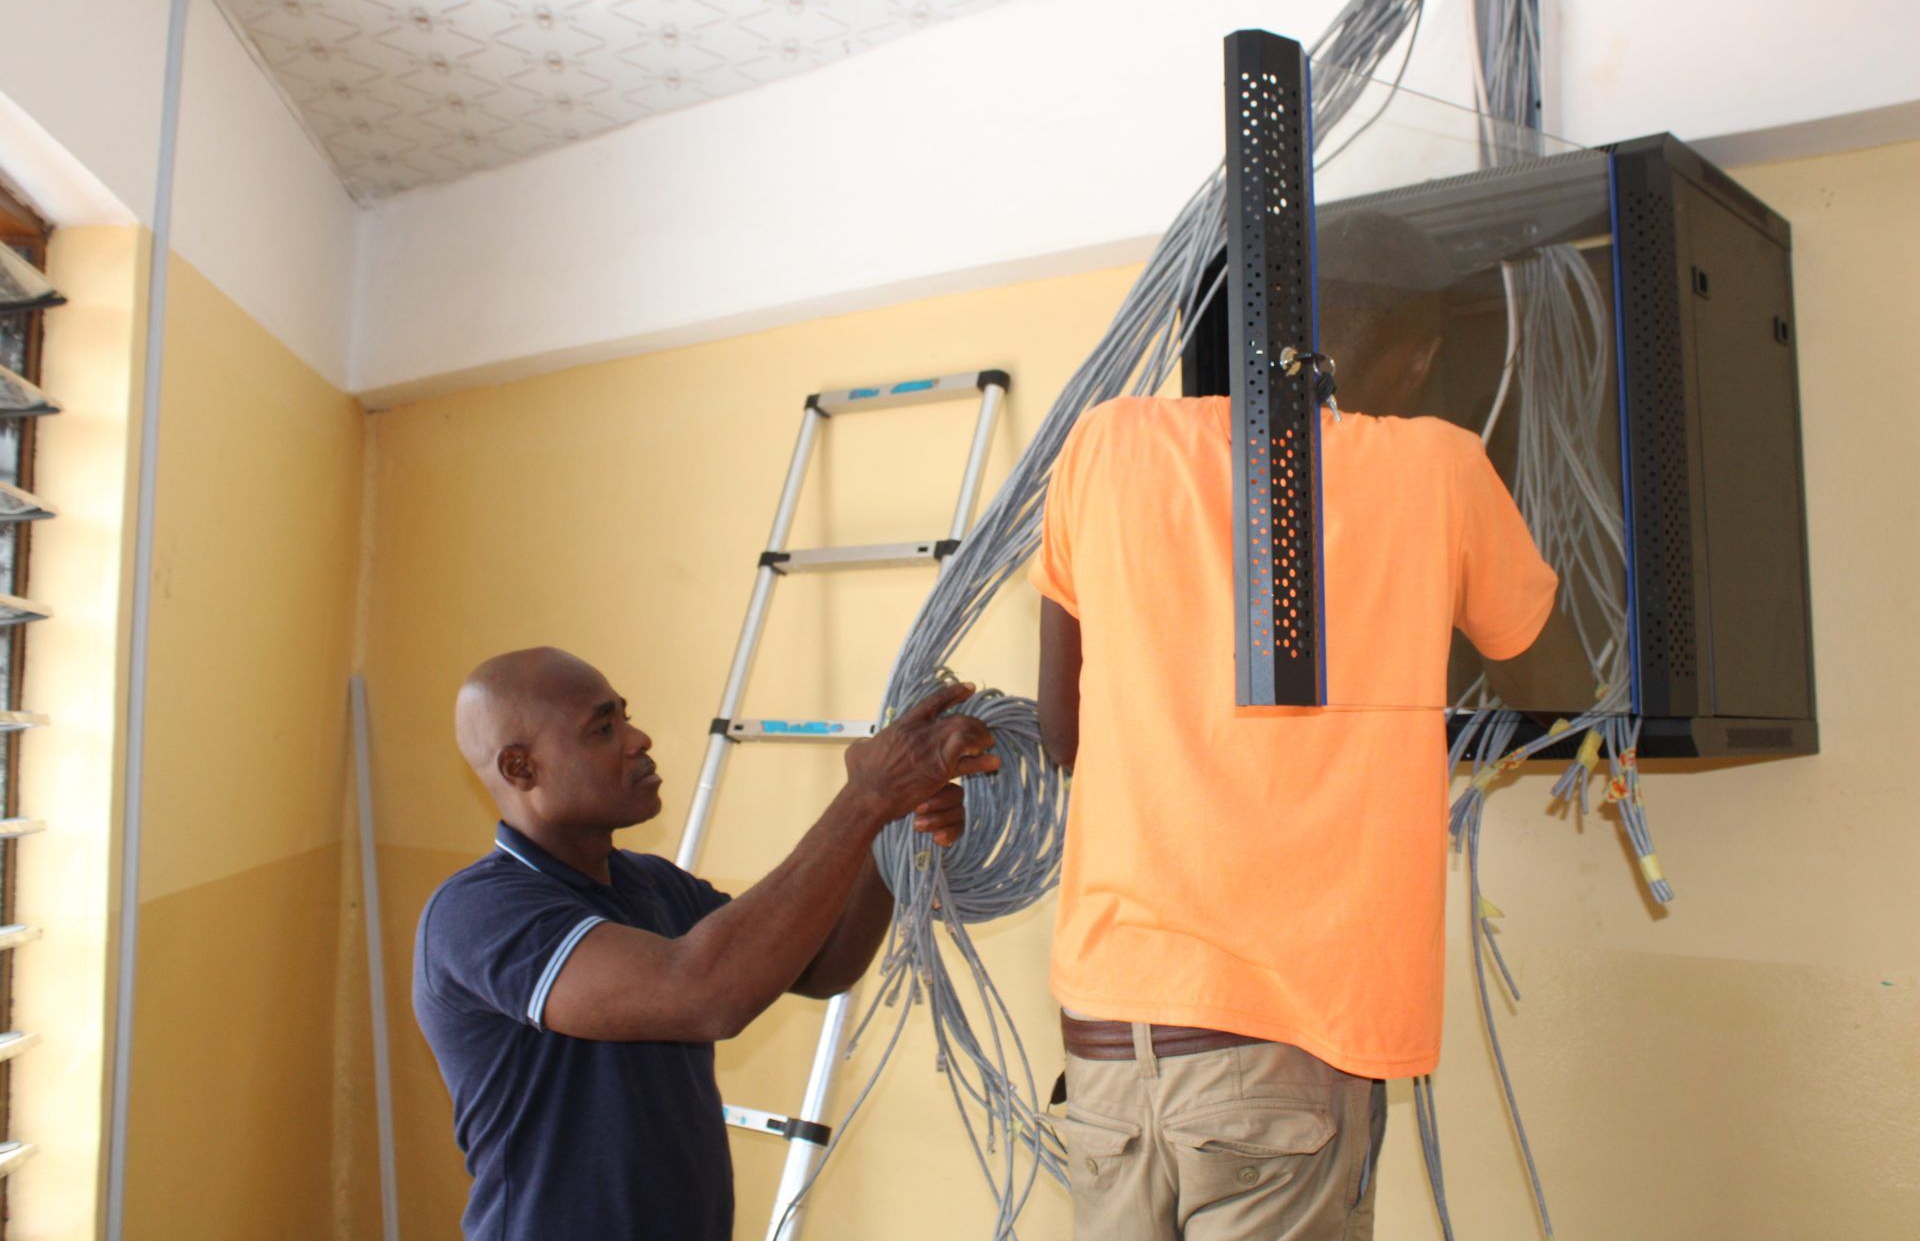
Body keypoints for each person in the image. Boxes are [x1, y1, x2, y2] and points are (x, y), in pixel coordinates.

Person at [1030, 214, 1564, 1239]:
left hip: (1107, 1040)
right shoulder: (1438, 467)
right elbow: (1547, 674)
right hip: (1286, 1036)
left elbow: (1064, 729)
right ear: (1411, 350)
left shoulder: (1104, 444)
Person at [413, 646, 996, 1240]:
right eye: (603, 728)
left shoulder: (650, 883)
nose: (638, 739)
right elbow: (704, 995)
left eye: (626, 716)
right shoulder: (479, 913)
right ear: (520, 769)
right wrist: (866, 798)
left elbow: (823, 967)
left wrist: (889, 823)